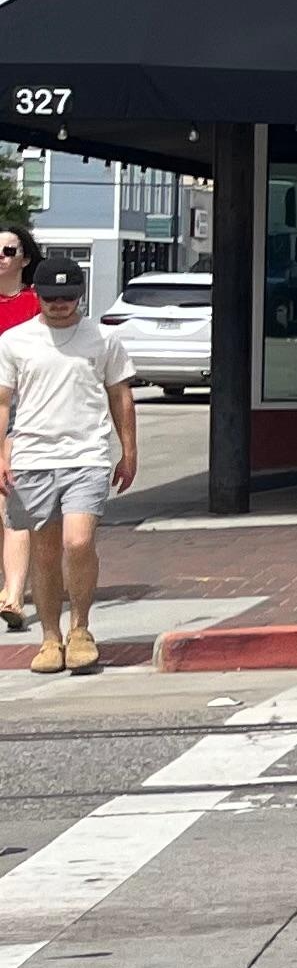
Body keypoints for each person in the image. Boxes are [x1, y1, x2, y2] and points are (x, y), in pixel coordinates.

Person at [1, 255, 136, 674]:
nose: (60, 304)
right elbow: (3, 402)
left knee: (78, 542)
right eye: (52, 297)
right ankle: (49, 638)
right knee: (43, 553)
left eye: (69, 297)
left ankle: (81, 629)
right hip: (32, 458)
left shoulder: (103, 339)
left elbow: (121, 395)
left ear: (81, 295)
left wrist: (128, 451)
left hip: (87, 455)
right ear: (37, 295)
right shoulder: (15, 341)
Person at [0, 223, 40, 638]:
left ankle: (13, 593)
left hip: (20, 412)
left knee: (10, 496)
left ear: (25, 257)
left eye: (9, 250)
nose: (1, 257)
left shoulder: (36, 304)